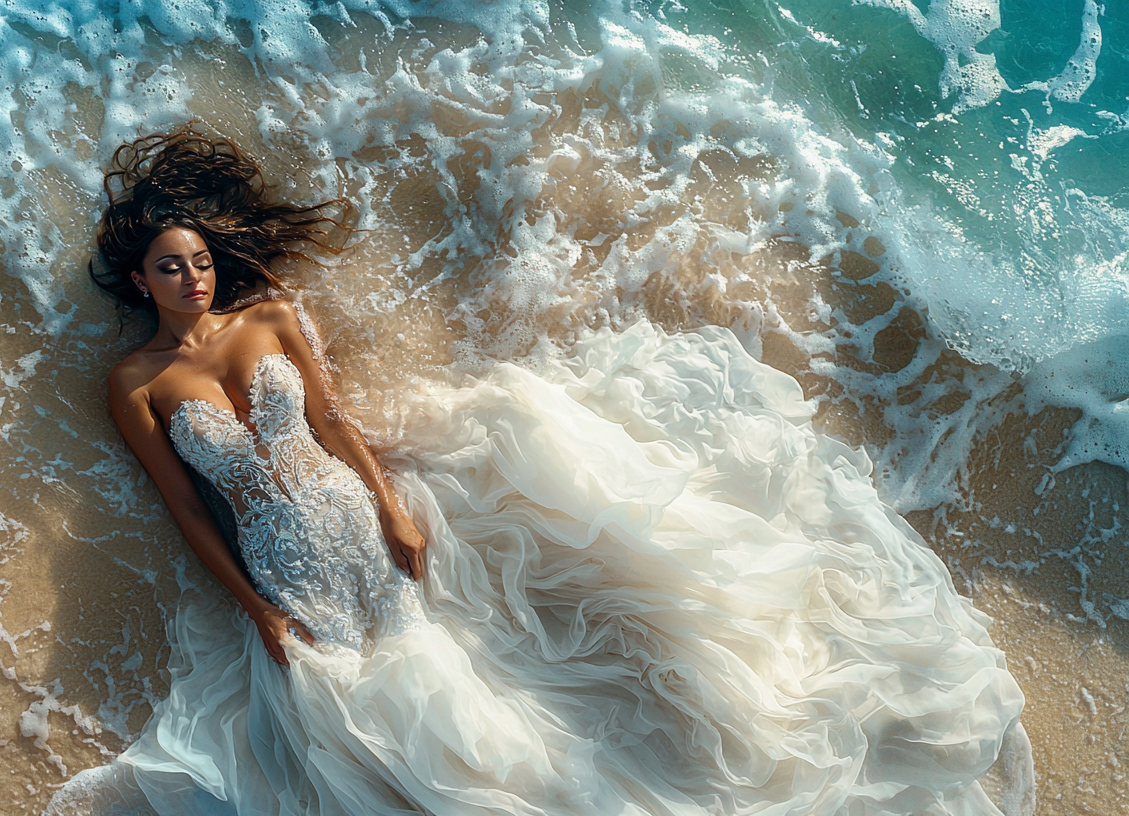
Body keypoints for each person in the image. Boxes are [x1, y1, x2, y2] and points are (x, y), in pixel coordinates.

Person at [69, 125, 1030, 816]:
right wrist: (259, 611)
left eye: (198, 260)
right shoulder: (137, 383)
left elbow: (332, 422)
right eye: (170, 266)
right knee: (356, 713)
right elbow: (191, 514)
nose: (191, 277)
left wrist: (394, 506)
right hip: (283, 565)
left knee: (443, 665)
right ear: (141, 279)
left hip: (353, 520)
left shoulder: (268, 317)